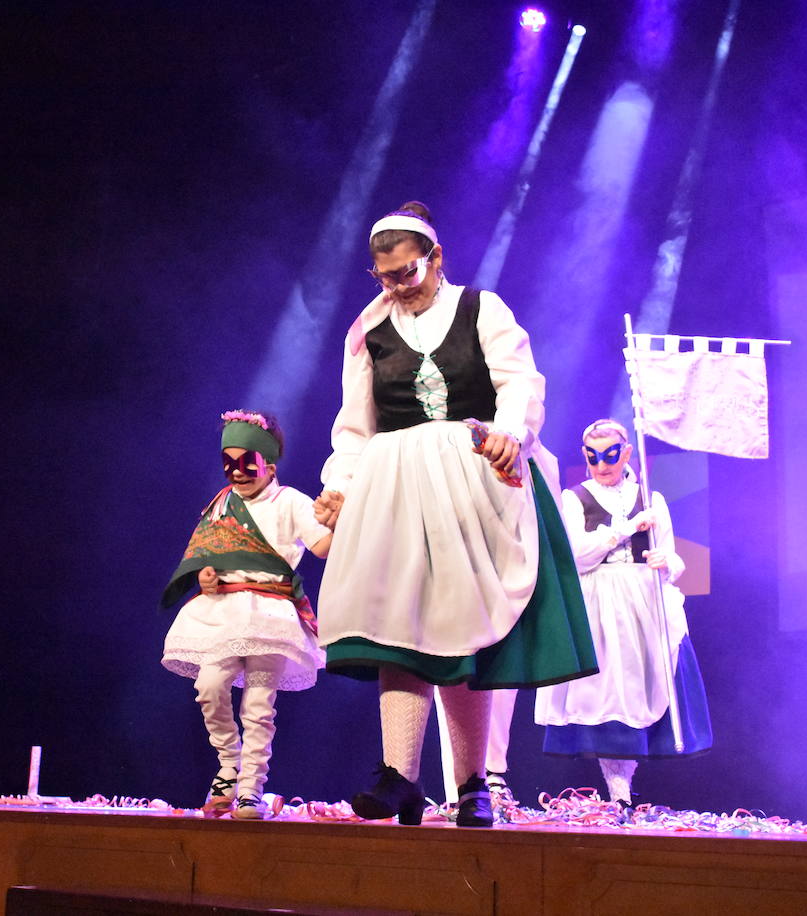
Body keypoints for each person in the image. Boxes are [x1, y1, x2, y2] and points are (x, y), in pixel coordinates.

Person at [313, 201, 597, 828]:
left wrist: (511, 431)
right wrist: (340, 484)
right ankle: (398, 777)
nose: (396, 287)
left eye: (406, 273)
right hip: (397, 485)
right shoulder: (367, 331)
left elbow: (518, 382)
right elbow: (355, 425)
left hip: (473, 480)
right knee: (397, 621)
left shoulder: (480, 308)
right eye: (383, 277)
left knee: (460, 627)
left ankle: (472, 785)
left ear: (435, 259)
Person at [161, 411, 333, 819]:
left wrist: (340, 517)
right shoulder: (222, 504)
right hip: (224, 611)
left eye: (247, 464)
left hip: (272, 614)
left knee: (258, 706)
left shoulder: (290, 501)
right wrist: (204, 576)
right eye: (229, 464)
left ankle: (251, 788)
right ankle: (228, 764)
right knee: (209, 686)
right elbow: (204, 558)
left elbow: (323, 546)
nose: (237, 474)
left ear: (269, 465)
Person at [534, 419, 712, 808]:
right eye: (593, 456)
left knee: (637, 687)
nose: (602, 465)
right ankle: (617, 794)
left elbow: (672, 557)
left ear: (626, 453)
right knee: (607, 693)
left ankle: (625, 789)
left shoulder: (651, 498)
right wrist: (625, 528)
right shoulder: (575, 497)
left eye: (610, 455)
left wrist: (668, 560)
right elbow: (576, 556)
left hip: (642, 601)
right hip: (600, 601)